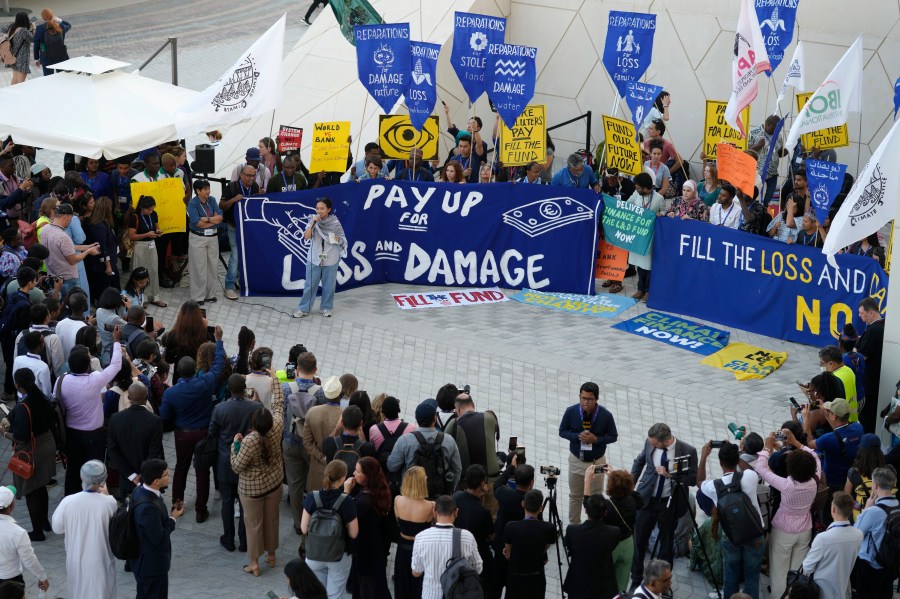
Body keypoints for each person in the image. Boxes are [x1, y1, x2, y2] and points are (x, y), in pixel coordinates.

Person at [159, 326, 225, 521]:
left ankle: (177, 503)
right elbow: (218, 365)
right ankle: (200, 510)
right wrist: (219, 341)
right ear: (194, 368)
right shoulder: (205, 383)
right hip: (204, 432)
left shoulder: (170, 393)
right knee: (202, 471)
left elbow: (164, 415)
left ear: (178, 372)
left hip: (183, 434)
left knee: (181, 468)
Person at [749, 430, 820, 599]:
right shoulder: (815, 479)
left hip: (783, 531)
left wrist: (766, 448)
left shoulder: (786, 485)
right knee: (796, 571)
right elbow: (815, 456)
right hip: (805, 529)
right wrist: (796, 442)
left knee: (779, 572)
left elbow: (761, 468)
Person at [630, 422, 698, 589]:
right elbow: (639, 461)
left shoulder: (688, 451)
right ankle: (636, 581)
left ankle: (661, 585)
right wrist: (630, 484)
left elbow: (692, 479)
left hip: (669, 503)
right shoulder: (649, 443)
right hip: (646, 501)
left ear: (666, 441)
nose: (651, 444)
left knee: (666, 546)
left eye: (654, 443)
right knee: (638, 542)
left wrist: (670, 475)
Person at [56, 334, 123, 495]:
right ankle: (93, 497)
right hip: (94, 436)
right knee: (95, 469)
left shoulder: (61, 381)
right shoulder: (95, 380)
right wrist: (116, 341)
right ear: (88, 365)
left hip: (71, 433)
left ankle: (70, 498)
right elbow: (116, 365)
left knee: (73, 469)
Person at [698, 441, 765, 599]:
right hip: (755, 533)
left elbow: (699, 482)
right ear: (737, 460)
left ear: (720, 463)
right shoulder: (750, 476)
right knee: (752, 576)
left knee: (731, 573)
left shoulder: (714, 486)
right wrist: (736, 452)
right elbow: (746, 467)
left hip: (731, 535)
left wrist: (703, 457)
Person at [230, 385, 285, 577]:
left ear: (253, 424)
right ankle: (271, 555)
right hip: (275, 484)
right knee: (272, 520)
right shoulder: (277, 427)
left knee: (253, 526)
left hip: (251, 490)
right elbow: (279, 406)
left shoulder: (249, 440)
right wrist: (275, 379)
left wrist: (233, 446)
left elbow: (237, 466)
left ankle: (254, 563)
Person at [0, 369, 55, 541]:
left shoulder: (24, 407)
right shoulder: (42, 399)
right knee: (41, 487)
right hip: (46, 445)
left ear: (17, 384)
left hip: (31, 452)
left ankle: (37, 532)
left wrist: (4, 433)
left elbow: (20, 436)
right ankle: (45, 522)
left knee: (31, 491)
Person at [50, 460, 117, 599]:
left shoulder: (68, 501)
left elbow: (57, 528)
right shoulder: (110, 502)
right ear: (104, 480)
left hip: (76, 560)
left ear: (82, 477)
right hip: (102, 561)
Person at [558, 381, 618, 524]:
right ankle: (574, 526)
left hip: (597, 462)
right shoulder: (571, 411)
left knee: (596, 496)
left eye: (589, 399)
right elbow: (562, 431)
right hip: (576, 461)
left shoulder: (606, 415)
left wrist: (596, 439)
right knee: (575, 496)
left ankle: (596, 525)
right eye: (582, 398)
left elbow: (613, 436)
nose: (585, 402)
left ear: (596, 399)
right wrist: (577, 437)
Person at [301, 460, 359, 599]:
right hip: (339, 556)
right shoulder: (347, 501)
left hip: (314, 554)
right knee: (335, 595)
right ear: (342, 478)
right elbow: (354, 533)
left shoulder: (312, 497)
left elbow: (303, 529)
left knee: (317, 594)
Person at [284, 351, 326, 533]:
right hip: (311, 445)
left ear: (297, 369)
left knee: (295, 484)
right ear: (315, 370)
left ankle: (297, 522)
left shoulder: (287, 388)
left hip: (290, 441)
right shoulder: (321, 393)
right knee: (312, 484)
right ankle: (311, 519)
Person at [130, 458, 184, 599]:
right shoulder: (148, 507)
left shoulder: (139, 490)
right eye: (165, 474)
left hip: (143, 561)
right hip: (151, 565)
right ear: (156, 481)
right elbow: (158, 537)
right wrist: (173, 518)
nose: (168, 476)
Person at [411, 495, 483, 599]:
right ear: (456, 512)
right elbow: (478, 568)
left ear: (434, 513)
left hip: (430, 595)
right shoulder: (467, 537)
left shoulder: (421, 537)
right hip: (458, 595)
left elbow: (416, 572)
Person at [387, 398, 463, 493]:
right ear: (435, 419)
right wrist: (450, 490)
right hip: (439, 496)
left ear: (416, 417)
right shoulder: (449, 440)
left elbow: (392, 466)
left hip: (411, 494)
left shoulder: (404, 440)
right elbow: (457, 469)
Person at [444, 390, 500, 512]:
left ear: (458, 409)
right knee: (491, 521)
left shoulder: (453, 425)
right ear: (473, 405)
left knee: (468, 519)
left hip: (468, 487)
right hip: (491, 483)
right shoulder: (490, 418)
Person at [343, 457, 392, 599]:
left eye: (357, 471)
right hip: (375, 547)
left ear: (367, 476)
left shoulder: (365, 501)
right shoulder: (378, 490)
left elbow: (347, 515)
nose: (354, 473)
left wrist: (346, 491)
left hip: (365, 552)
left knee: (367, 590)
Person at [107, 382, 163, 499]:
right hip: (148, 480)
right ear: (146, 398)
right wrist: (143, 476)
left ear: (128, 398)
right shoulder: (155, 421)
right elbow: (154, 452)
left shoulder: (115, 419)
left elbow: (112, 451)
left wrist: (131, 475)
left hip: (126, 479)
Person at [802, 491, 863, 599]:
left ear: (833, 509)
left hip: (821, 591)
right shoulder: (859, 534)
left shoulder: (822, 538)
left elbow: (807, 567)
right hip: (844, 589)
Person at [293, 197, 347, 319]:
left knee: (329, 285)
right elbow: (306, 237)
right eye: (317, 208)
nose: (319, 211)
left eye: (322, 208)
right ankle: (304, 308)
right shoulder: (312, 220)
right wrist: (313, 223)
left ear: (328, 209)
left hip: (331, 258)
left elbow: (343, 238)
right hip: (314, 258)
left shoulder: (335, 223)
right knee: (310, 285)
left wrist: (338, 239)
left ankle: (326, 308)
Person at [851, 466, 898, 598]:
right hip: (892, 561)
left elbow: (856, 534)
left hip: (871, 564)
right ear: (894, 483)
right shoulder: (897, 505)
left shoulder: (873, 511)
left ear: (875, 485)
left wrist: (866, 509)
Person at [564, 491, 622, 599]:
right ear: (605, 513)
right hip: (602, 585)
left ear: (586, 510)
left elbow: (568, 546)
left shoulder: (572, 530)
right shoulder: (614, 532)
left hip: (578, 583)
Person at [502, 489, 556, 599]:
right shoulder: (549, 528)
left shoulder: (511, 527)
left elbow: (508, 553)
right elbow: (544, 548)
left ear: (523, 504)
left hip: (516, 578)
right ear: (541, 508)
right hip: (536, 578)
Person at [38, 202, 100, 299]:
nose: (71, 221)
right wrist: (89, 252)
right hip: (67, 279)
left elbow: (67, 248)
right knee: (70, 307)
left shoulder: (45, 229)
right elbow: (73, 259)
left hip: (53, 276)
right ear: (66, 217)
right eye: (71, 218)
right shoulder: (63, 236)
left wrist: (88, 247)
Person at [492, 459, 534, 599]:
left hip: (500, 545)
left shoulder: (505, 495)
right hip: (520, 551)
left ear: (514, 479)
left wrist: (511, 467)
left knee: (496, 583)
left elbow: (498, 483)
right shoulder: (531, 503)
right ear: (532, 482)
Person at [802, 398, 863, 490]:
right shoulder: (858, 428)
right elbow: (839, 432)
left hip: (833, 482)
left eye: (830, 411)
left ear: (834, 416)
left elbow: (810, 444)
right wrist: (827, 415)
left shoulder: (828, 438)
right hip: (851, 479)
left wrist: (806, 420)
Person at [219, 165, 259, 300]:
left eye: (253, 175)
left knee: (247, 256)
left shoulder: (255, 187)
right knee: (235, 256)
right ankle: (228, 286)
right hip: (233, 227)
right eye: (248, 175)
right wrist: (233, 200)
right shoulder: (231, 187)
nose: (251, 178)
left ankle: (241, 281)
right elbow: (221, 206)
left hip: (248, 228)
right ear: (241, 175)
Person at [394, 466, 434, 598]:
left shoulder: (398, 500)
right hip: (421, 549)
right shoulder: (431, 506)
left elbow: (398, 521)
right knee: (419, 586)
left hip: (402, 548)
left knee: (401, 585)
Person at [0, 485, 48, 591]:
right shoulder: (18, 533)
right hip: (11, 581)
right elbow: (29, 560)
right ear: (11, 506)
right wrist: (42, 577)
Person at [453, 464, 493, 589]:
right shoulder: (483, 512)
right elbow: (491, 536)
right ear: (482, 484)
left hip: (455, 550)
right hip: (478, 554)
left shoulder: (456, 497)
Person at [627, 173, 665, 302]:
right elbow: (627, 205)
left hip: (651, 236)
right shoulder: (636, 194)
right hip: (638, 235)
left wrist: (661, 214)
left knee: (648, 265)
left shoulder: (659, 198)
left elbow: (665, 212)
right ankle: (640, 290)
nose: (636, 190)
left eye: (638, 188)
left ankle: (649, 291)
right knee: (639, 263)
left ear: (646, 188)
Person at [304, 375, 344, 492]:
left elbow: (307, 442)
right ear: (340, 393)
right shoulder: (345, 414)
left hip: (317, 467)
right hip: (337, 470)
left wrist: (322, 457)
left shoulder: (312, 412)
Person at [186, 179, 223, 305]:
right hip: (198, 238)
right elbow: (197, 223)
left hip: (213, 237)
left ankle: (209, 294)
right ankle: (198, 297)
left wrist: (206, 219)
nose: (208, 191)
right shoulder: (192, 203)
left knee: (212, 266)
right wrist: (212, 220)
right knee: (198, 267)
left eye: (208, 188)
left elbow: (220, 217)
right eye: (205, 189)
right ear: (198, 191)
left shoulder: (212, 200)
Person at [127, 196, 167, 307]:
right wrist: (146, 234)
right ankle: (140, 298)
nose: (150, 211)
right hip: (140, 246)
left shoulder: (153, 215)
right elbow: (132, 236)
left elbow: (156, 227)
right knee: (139, 271)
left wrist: (158, 231)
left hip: (152, 246)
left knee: (153, 271)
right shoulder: (135, 217)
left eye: (152, 209)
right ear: (142, 207)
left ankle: (154, 296)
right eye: (148, 209)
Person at [856, 296, 883, 433]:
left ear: (871, 312)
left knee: (866, 416)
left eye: (862, 313)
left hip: (870, 381)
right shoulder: (883, 324)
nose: (860, 316)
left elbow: (862, 356)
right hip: (878, 378)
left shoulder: (873, 330)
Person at [749, 115, 788, 206]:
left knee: (768, 200)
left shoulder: (778, 135)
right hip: (758, 172)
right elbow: (746, 150)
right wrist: (758, 145)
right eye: (775, 128)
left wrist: (785, 151)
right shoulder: (754, 132)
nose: (776, 131)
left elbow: (779, 154)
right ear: (768, 124)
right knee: (756, 197)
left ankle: (765, 212)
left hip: (772, 173)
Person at [819, 346, 858, 420]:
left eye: (822, 364)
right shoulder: (848, 370)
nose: (821, 366)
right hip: (852, 416)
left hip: (840, 419)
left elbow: (828, 403)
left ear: (831, 363)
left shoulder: (834, 378)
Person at [12, 331, 51, 397]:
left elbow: (15, 379)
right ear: (39, 347)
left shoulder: (17, 359)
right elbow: (47, 393)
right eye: (43, 342)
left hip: (21, 398)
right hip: (37, 402)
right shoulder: (43, 367)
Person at [33, 8, 71, 76]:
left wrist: (36, 58)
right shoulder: (61, 26)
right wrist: (60, 20)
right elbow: (69, 25)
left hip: (46, 58)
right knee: (62, 78)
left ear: (43, 18)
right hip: (61, 57)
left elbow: (36, 44)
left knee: (49, 80)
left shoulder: (40, 28)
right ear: (52, 15)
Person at [5, 13, 34, 85]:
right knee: (20, 83)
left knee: (15, 80)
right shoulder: (23, 31)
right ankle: (17, 95)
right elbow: (33, 39)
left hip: (13, 56)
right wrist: (34, 27)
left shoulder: (12, 27)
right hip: (22, 59)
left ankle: (12, 94)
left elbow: (2, 29)